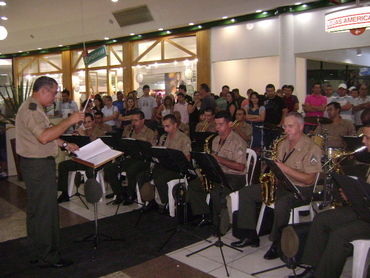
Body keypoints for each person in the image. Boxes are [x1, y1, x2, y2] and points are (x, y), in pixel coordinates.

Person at [231, 112, 322, 261]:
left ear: (301, 127)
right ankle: (249, 235)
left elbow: (309, 180)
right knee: (246, 192)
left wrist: (284, 169)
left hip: (300, 190)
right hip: (282, 185)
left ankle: (276, 242)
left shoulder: (312, 148)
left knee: (282, 203)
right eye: (285, 126)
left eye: (290, 126)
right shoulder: (283, 143)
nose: (286, 130)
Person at [15, 76, 84, 268]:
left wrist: (64, 143)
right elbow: (44, 137)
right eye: (54, 93)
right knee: (46, 212)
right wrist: (69, 121)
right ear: (44, 90)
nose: (55, 97)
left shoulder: (34, 107)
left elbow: (47, 133)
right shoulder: (32, 110)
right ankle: (49, 256)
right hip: (38, 166)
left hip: (33, 165)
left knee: (37, 210)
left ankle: (37, 250)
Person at [292, 121, 370, 278]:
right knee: (321, 219)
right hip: (364, 209)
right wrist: (354, 194)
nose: (363, 141)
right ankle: (312, 267)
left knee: (339, 234)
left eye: (367, 138)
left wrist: (357, 196)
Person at [188, 110, 247, 233]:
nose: (217, 128)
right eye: (216, 124)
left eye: (220, 124)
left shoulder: (238, 142)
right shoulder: (215, 140)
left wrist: (218, 159)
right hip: (219, 174)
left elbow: (240, 167)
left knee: (217, 193)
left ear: (230, 124)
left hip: (234, 177)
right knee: (194, 185)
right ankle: (205, 216)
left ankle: (220, 226)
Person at [136, 114, 191, 211]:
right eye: (164, 126)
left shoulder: (184, 138)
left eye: (167, 126)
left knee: (159, 179)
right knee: (141, 175)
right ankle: (150, 201)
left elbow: (187, 159)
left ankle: (167, 203)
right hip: (164, 166)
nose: (165, 129)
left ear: (175, 125)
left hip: (176, 168)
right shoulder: (163, 137)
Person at [104, 111, 157, 205]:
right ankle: (119, 193)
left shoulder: (150, 133)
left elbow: (151, 152)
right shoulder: (129, 129)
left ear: (143, 120)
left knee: (131, 170)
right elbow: (123, 144)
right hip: (131, 158)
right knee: (109, 169)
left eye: (136, 120)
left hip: (144, 161)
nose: (133, 123)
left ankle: (131, 194)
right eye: (132, 120)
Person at [57, 113, 105, 203]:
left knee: (90, 170)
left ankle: (92, 194)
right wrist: (73, 139)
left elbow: (96, 148)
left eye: (89, 122)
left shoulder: (100, 132)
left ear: (93, 121)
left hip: (95, 161)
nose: (88, 125)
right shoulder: (81, 132)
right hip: (82, 160)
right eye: (85, 123)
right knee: (62, 165)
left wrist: (84, 136)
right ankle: (64, 193)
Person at [263, 84, 288, 148]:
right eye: (268, 91)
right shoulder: (263, 100)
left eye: (271, 91)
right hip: (266, 126)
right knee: (267, 144)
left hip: (277, 126)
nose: (270, 93)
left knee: (276, 145)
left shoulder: (280, 100)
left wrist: (281, 123)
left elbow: (285, 112)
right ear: (266, 91)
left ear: (274, 91)